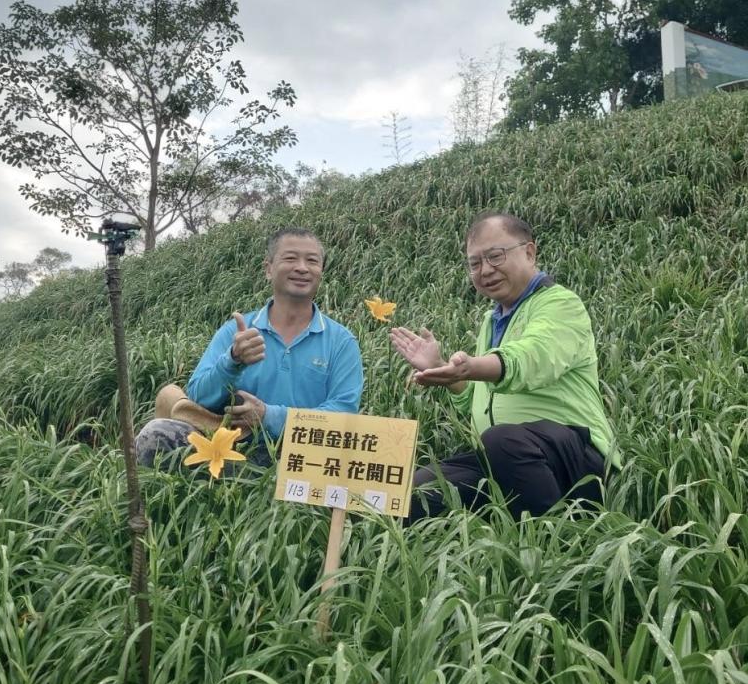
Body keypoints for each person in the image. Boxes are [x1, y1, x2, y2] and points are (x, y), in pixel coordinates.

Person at [391, 212, 620, 521]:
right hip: (504, 458)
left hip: (575, 457)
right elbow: (480, 401)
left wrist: (472, 367)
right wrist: (444, 370)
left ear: (529, 252)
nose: (485, 270)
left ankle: (556, 543)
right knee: (413, 492)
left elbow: (532, 358)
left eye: (495, 257)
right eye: (475, 263)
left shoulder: (561, 303)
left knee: (502, 440)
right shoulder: (492, 319)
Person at [135, 227, 364, 469]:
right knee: (156, 434)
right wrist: (232, 362)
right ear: (268, 269)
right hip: (231, 449)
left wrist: (267, 416)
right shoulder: (235, 331)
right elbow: (197, 397)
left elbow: (344, 415)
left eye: (312, 261)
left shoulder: (341, 341)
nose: (302, 268)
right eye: (290, 258)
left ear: (321, 272)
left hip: (302, 460)